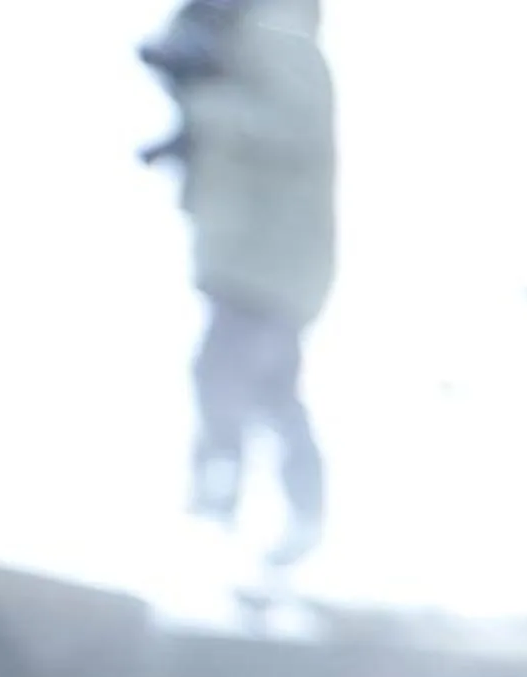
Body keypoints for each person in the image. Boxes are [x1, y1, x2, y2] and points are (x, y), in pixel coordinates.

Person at [140, 0, 336, 568]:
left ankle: (216, 505)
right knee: (271, 391)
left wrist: (204, 102)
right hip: (262, 257)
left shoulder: (277, 34)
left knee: (222, 374)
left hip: (270, 258)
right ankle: (299, 516)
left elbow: (290, 125)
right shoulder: (261, 35)